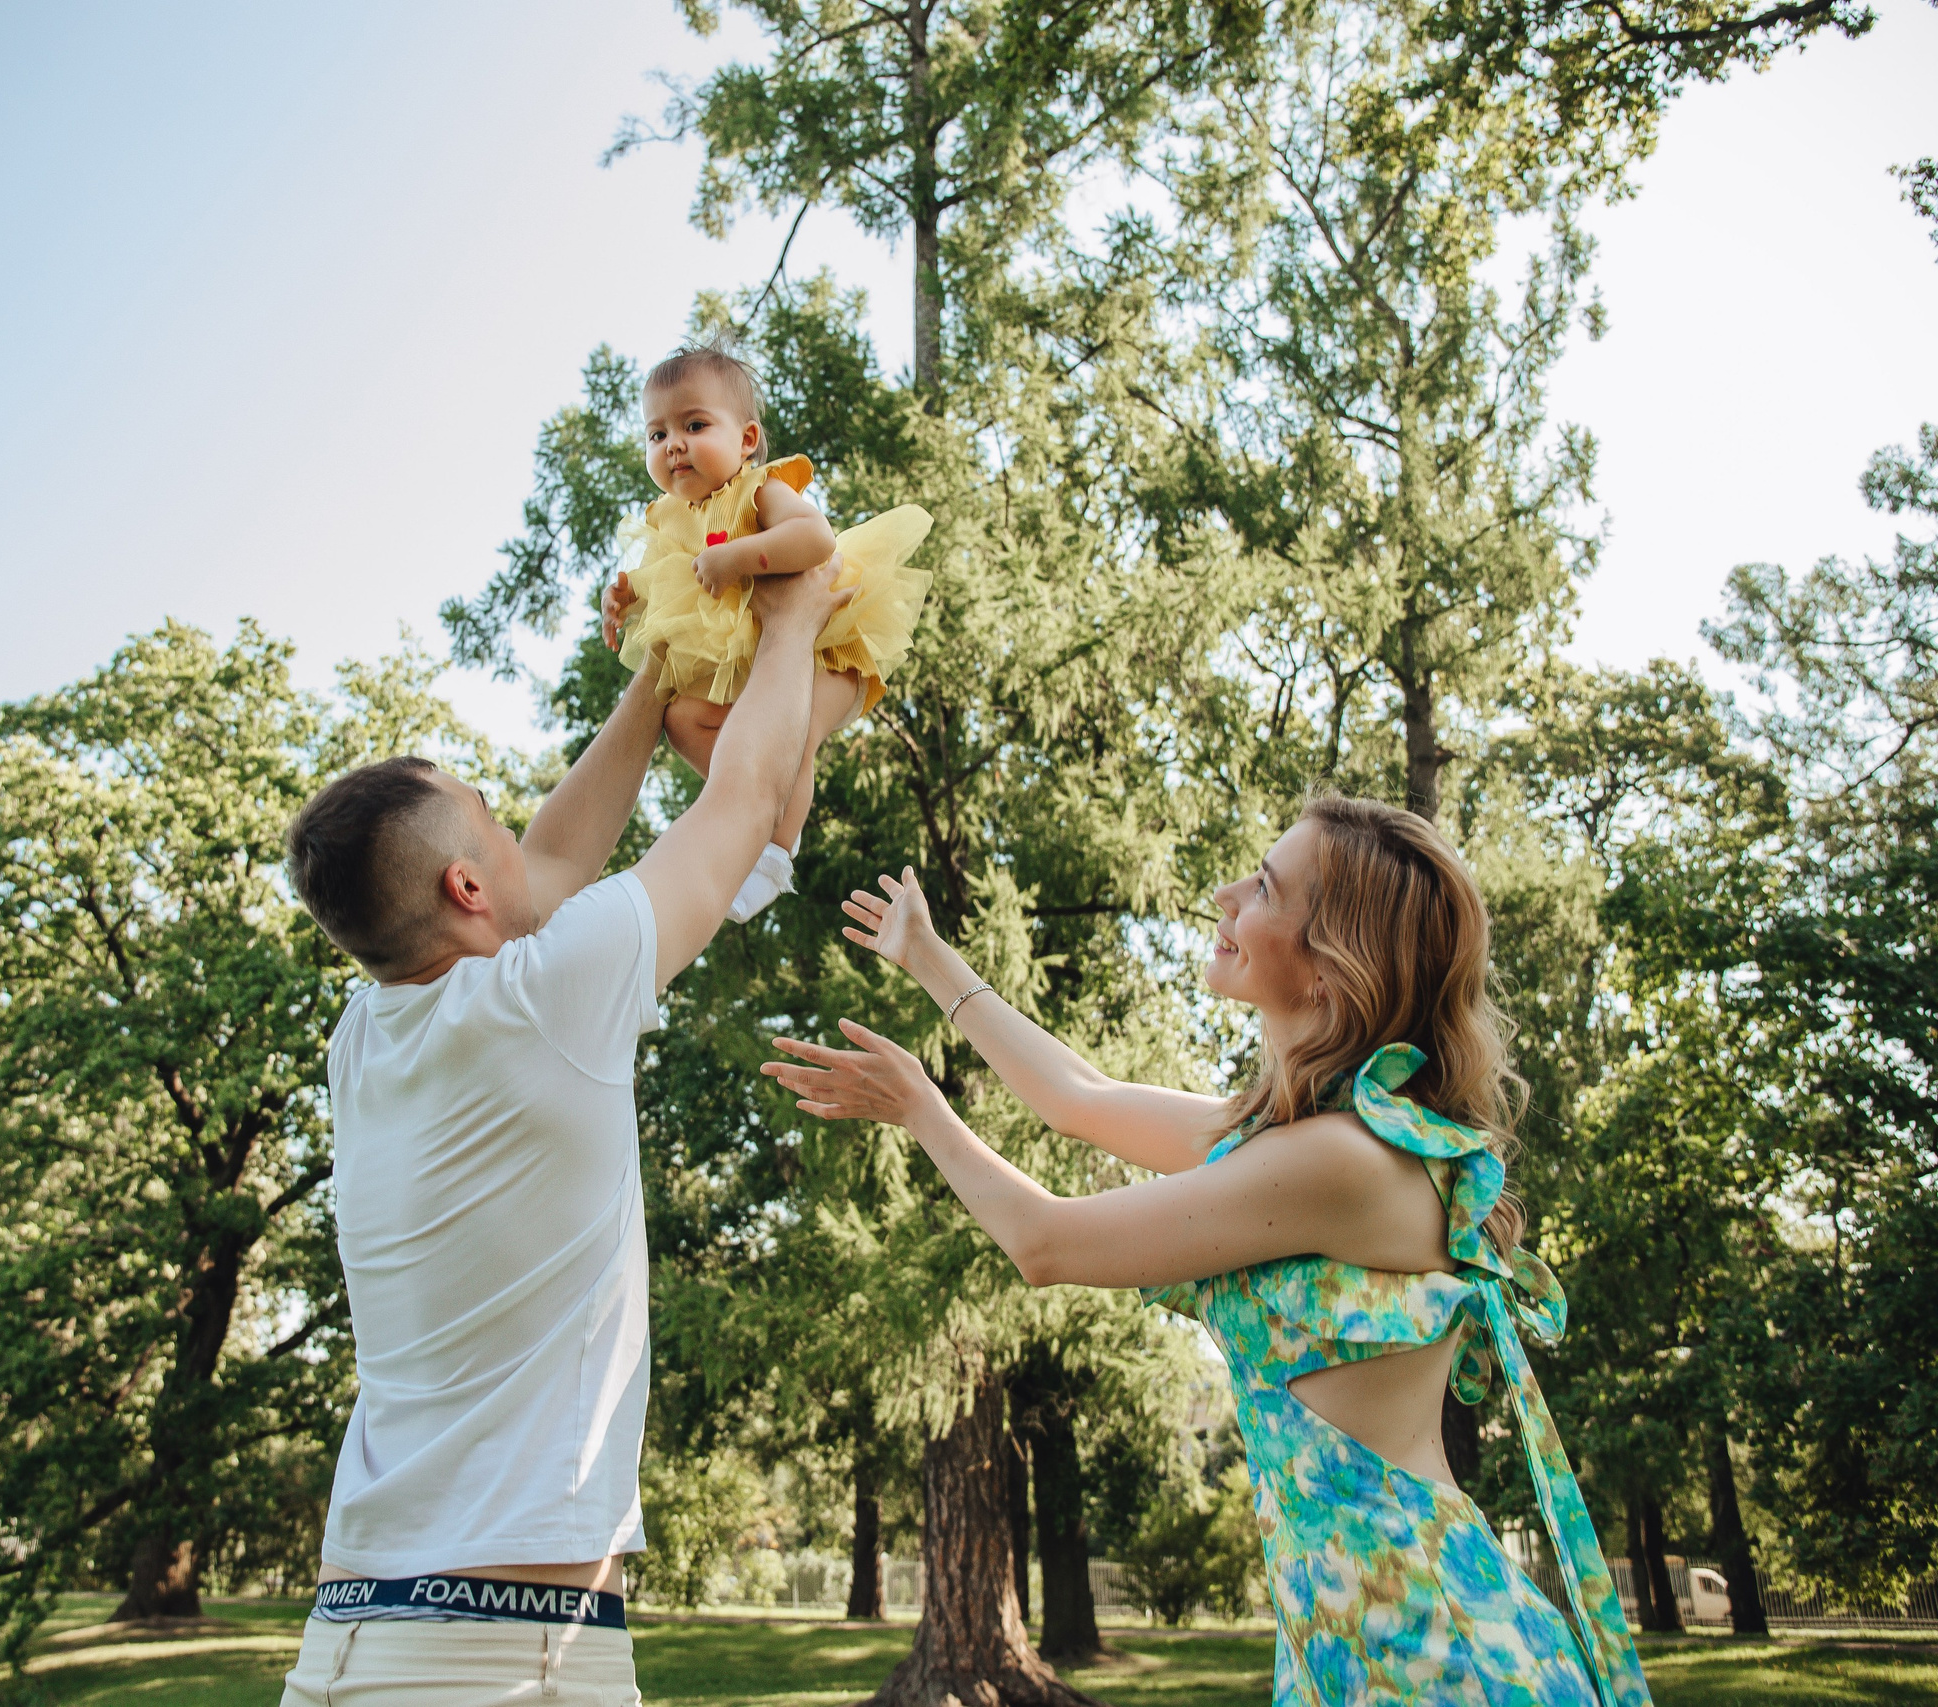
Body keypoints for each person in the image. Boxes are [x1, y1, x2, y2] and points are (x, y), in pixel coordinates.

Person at [762, 795, 1653, 1707]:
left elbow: (1045, 1241)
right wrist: (926, 954)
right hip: (1350, 1633)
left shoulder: (1338, 1161)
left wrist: (923, 1107)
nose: (1225, 895)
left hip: (1427, 1646)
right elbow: (1080, 1096)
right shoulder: (1315, 1139)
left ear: (1329, 968)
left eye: (1264, 886)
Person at [274, 562, 850, 1707]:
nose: (514, 826)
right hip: (504, 1656)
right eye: (491, 816)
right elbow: (734, 810)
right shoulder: (541, 998)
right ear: (464, 888)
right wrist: (791, 620)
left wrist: (656, 674)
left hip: (347, 1642)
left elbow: (553, 865)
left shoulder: (367, 1030)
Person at [602, 342, 933, 921]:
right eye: (656, 435)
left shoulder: (760, 491)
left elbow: (816, 540)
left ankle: (775, 852)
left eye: (694, 424)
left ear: (746, 440)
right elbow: (675, 586)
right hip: (756, 668)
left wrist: (737, 557)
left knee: (794, 731)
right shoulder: (670, 523)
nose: (673, 443)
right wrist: (627, 598)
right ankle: (748, 799)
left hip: (827, 650)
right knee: (681, 718)